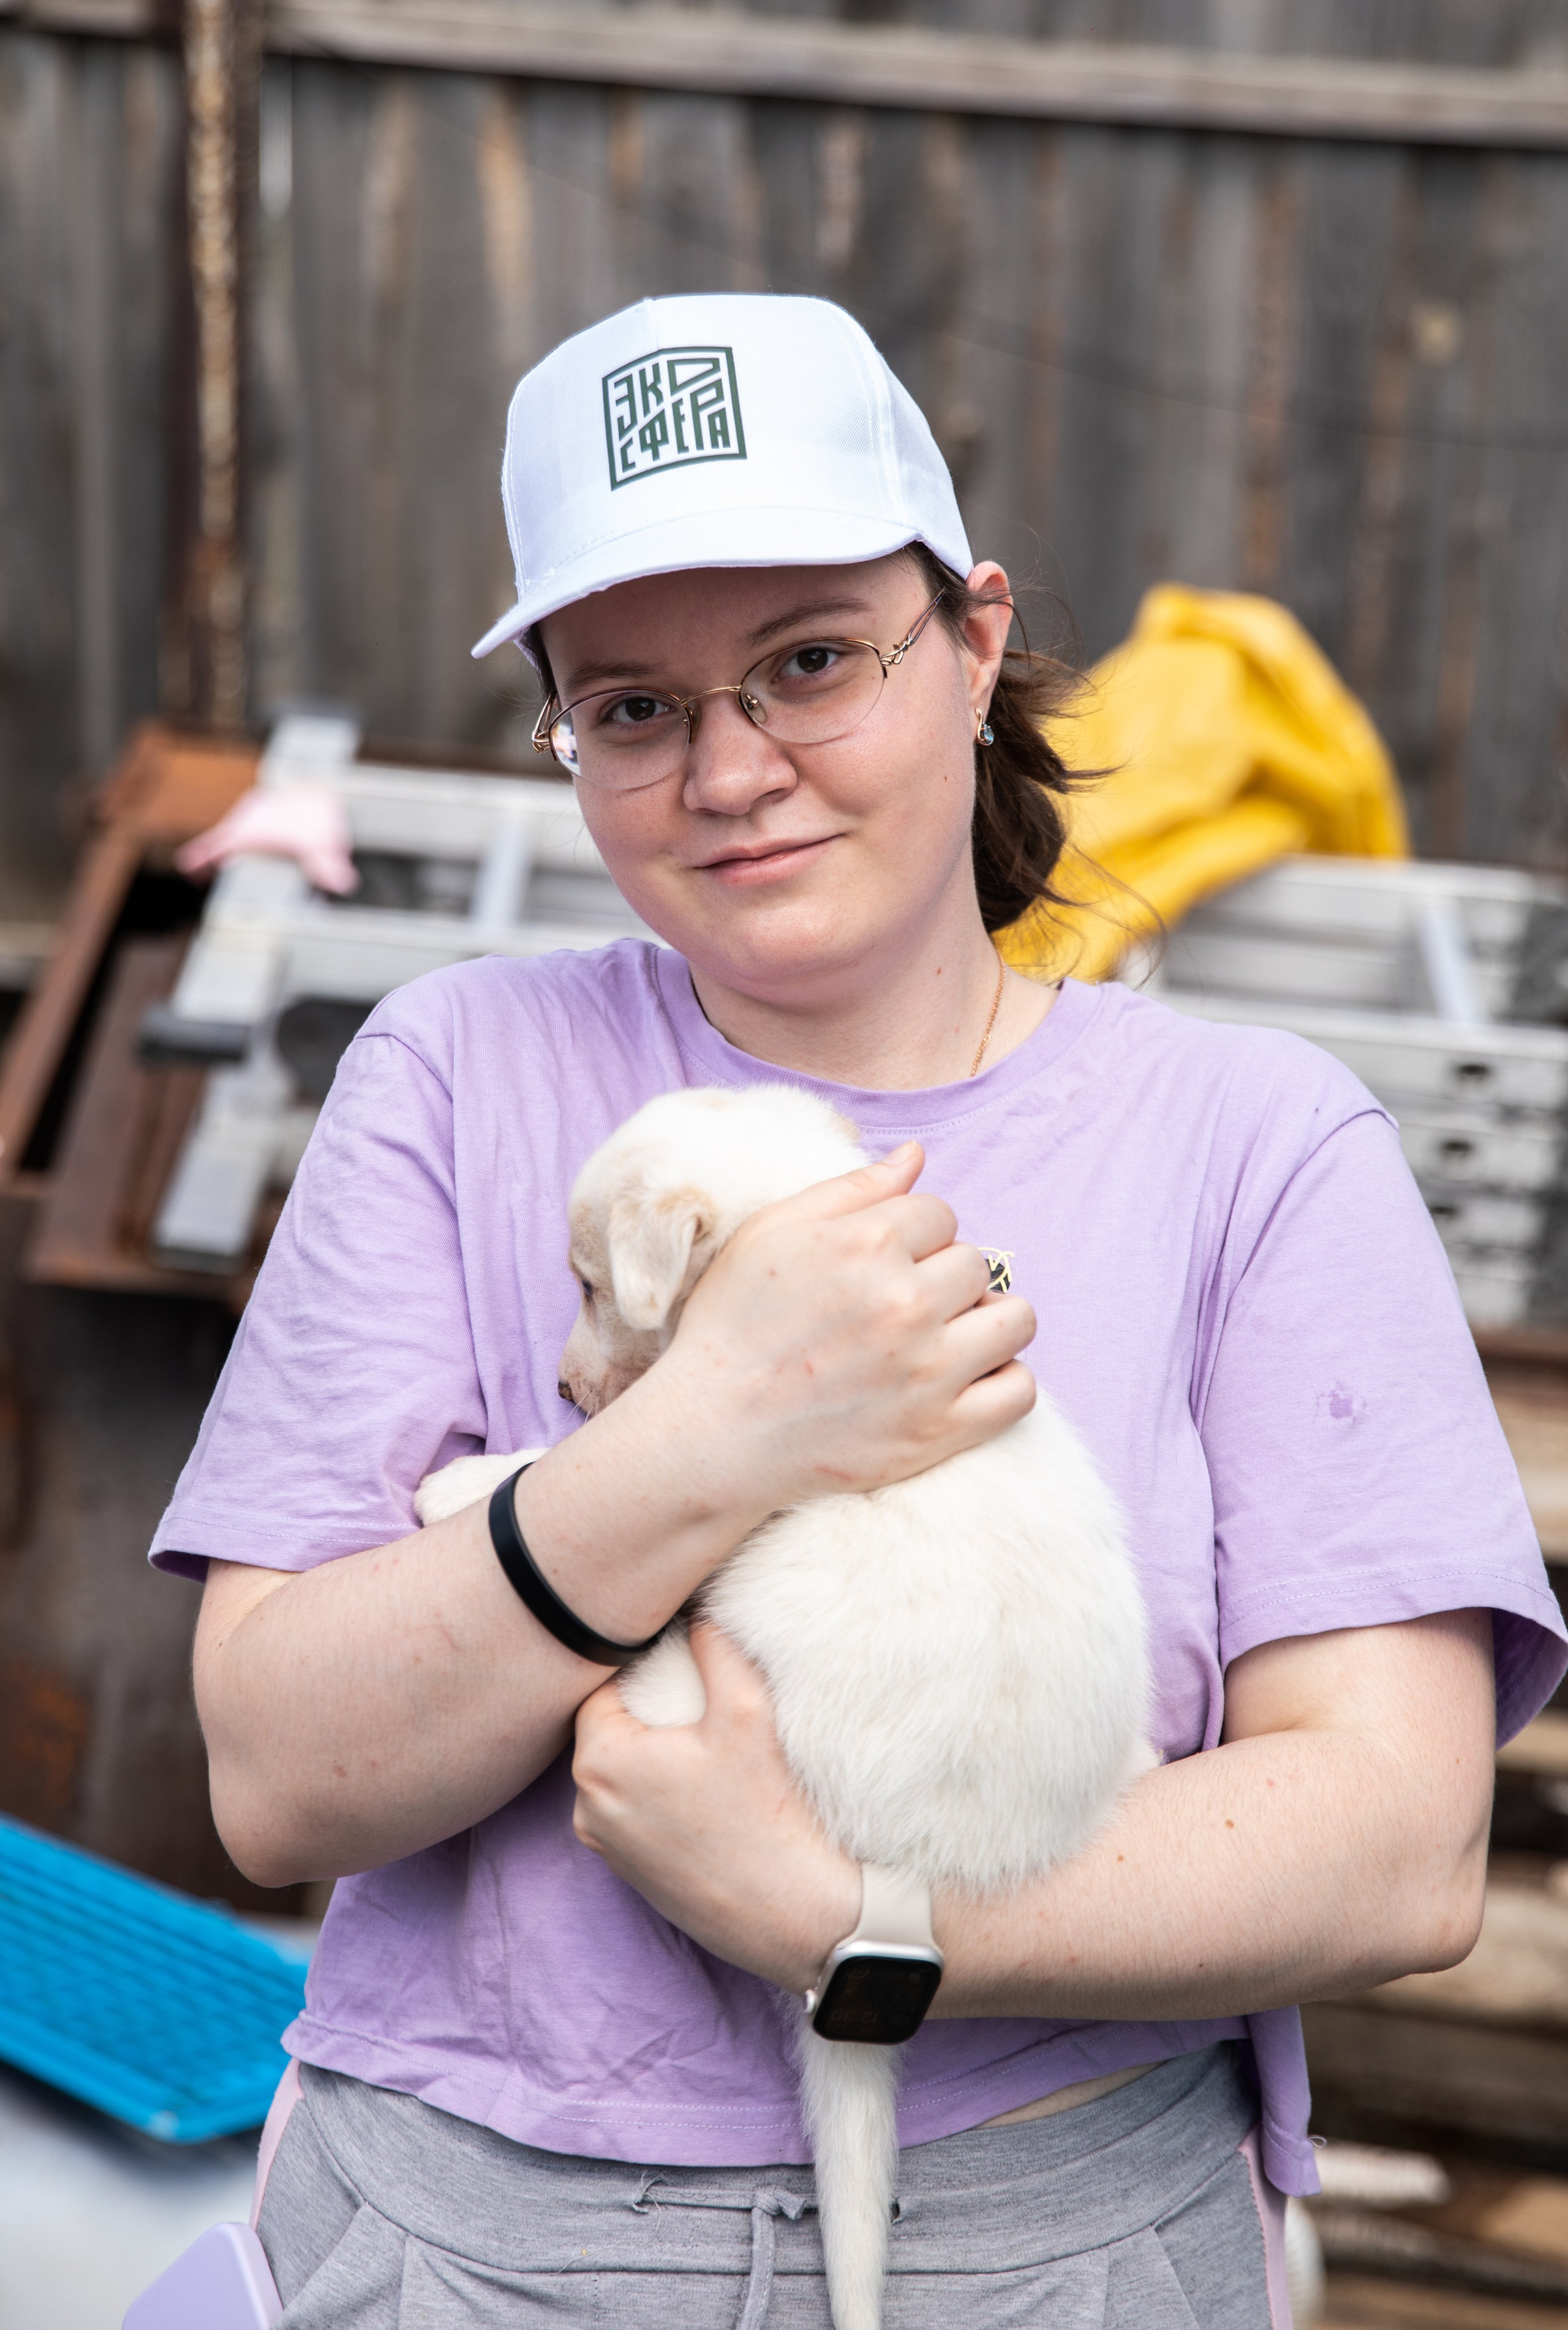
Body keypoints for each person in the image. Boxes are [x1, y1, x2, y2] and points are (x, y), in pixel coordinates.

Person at [156, 293, 1564, 2329]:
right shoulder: (454, 1074)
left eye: (811, 660)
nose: (732, 770)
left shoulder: (1256, 1144)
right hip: (470, 2232)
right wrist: (714, 1427)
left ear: (975, 642)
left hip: (1052, 2237)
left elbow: (1399, 1838)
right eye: (631, 707)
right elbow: (281, 1774)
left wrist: (856, 1921)